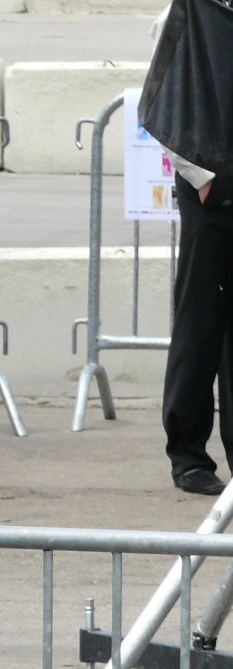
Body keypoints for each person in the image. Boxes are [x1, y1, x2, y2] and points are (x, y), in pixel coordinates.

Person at [146, 2, 233, 496]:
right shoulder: (188, 13)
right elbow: (165, 100)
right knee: (201, 317)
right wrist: (200, 176)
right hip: (208, 185)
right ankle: (189, 454)